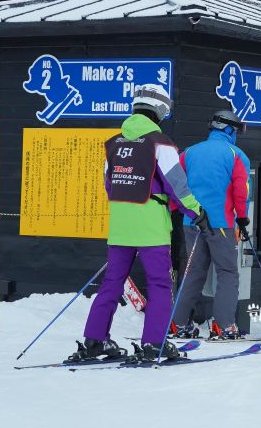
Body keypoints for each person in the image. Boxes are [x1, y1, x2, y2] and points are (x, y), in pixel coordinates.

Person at [67, 84, 207, 364]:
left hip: (120, 225)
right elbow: (177, 186)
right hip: (150, 226)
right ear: (159, 110)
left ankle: (95, 340)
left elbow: (109, 185)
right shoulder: (160, 143)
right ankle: (154, 343)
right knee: (159, 284)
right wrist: (197, 213)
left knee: (112, 283)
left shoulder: (113, 144)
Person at [169, 109, 252, 340]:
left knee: (194, 272)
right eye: (236, 131)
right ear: (229, 130)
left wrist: (177, 211)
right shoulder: (236, 155)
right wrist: (242, 218)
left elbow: (175, 184)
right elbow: (241, 191)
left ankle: (178, 323)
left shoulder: (189, 153)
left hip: (191, 223)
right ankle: (224, 326)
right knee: (227, 272)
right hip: (221, 224)